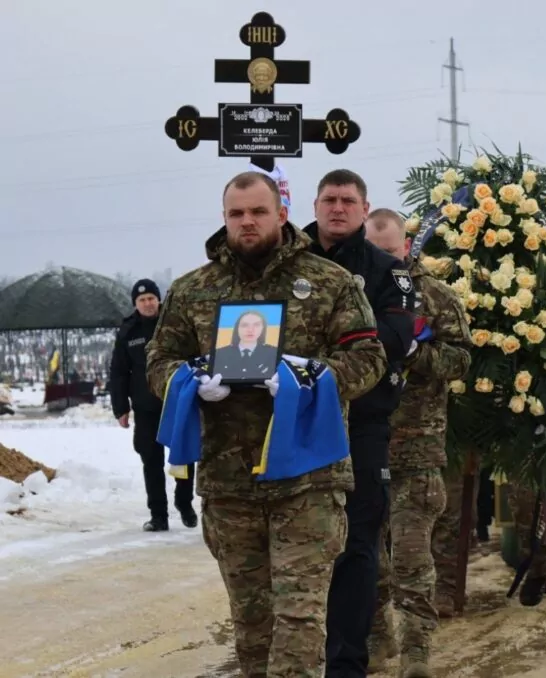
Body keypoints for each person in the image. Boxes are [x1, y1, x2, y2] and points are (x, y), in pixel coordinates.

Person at [145, 171, 387, 678]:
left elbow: (369, 357)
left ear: (281, 213)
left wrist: (312, 379)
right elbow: (159, 359)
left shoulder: (329, 282)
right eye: (237, 214)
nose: (247, 222)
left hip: (308, 480)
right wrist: (189, 381)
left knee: (299, 621)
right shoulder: (193, 290)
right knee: (252, 626)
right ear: (224, 217)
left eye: (258, 211)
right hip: (229, 481)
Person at [303, 170, 416, 678]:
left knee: (357, 542)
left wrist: (315, 357)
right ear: (316, 203)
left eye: (348, 201)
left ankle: (346, 662)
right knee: (297, 544)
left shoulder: (388, 273)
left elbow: (392, 338)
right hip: (293, 420)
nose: (338, 208)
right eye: (329, 199)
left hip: (361, 422)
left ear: (364, 208)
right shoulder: (291, 258)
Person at [364, 208, 471, 677]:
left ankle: (417, 653)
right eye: (374, 252)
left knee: (410, 558)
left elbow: (462, 360)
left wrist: (417, 352)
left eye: (390, 251)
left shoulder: (437, 297)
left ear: (407, 246)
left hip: (418, 451)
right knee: (367, 560)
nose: (384, 260)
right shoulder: (354, 293)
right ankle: (376, 637)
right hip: (364, 448)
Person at [110, 279, 196, 532]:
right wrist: (120, 408)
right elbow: (119, 372)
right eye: (142, 300)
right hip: (145, 407)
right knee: (151, 461)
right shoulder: (129, 331)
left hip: (177, 403)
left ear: (158, 300)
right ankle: (158, 515)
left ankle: (185, 503)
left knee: (184, 457)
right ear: (135, 304)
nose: (147, 304)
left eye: (151, 298)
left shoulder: (174, 324)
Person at [213, 309, 278, 381]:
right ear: (237, 328)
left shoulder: (273, 353)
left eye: (256, 325)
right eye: (244, 325)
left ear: (263, 328)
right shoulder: (220, 353)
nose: (250, 330)